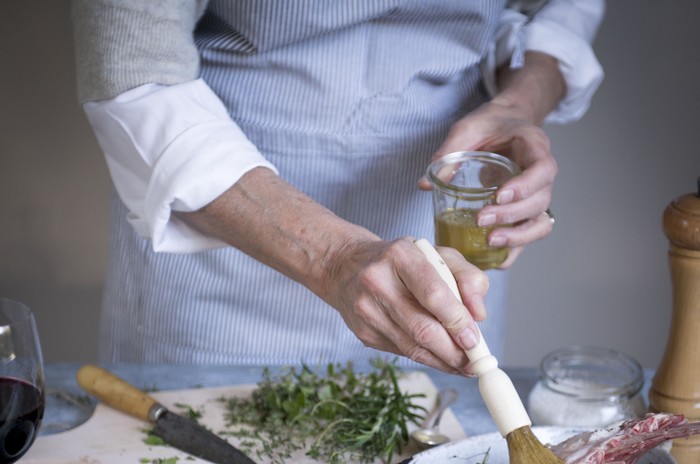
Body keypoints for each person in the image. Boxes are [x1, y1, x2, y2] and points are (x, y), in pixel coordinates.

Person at [71, 0, 604, 374]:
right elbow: (134, 72)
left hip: (437, 220)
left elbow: (558, 12)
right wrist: (333, 257)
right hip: (221, 218)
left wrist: (520, 103)